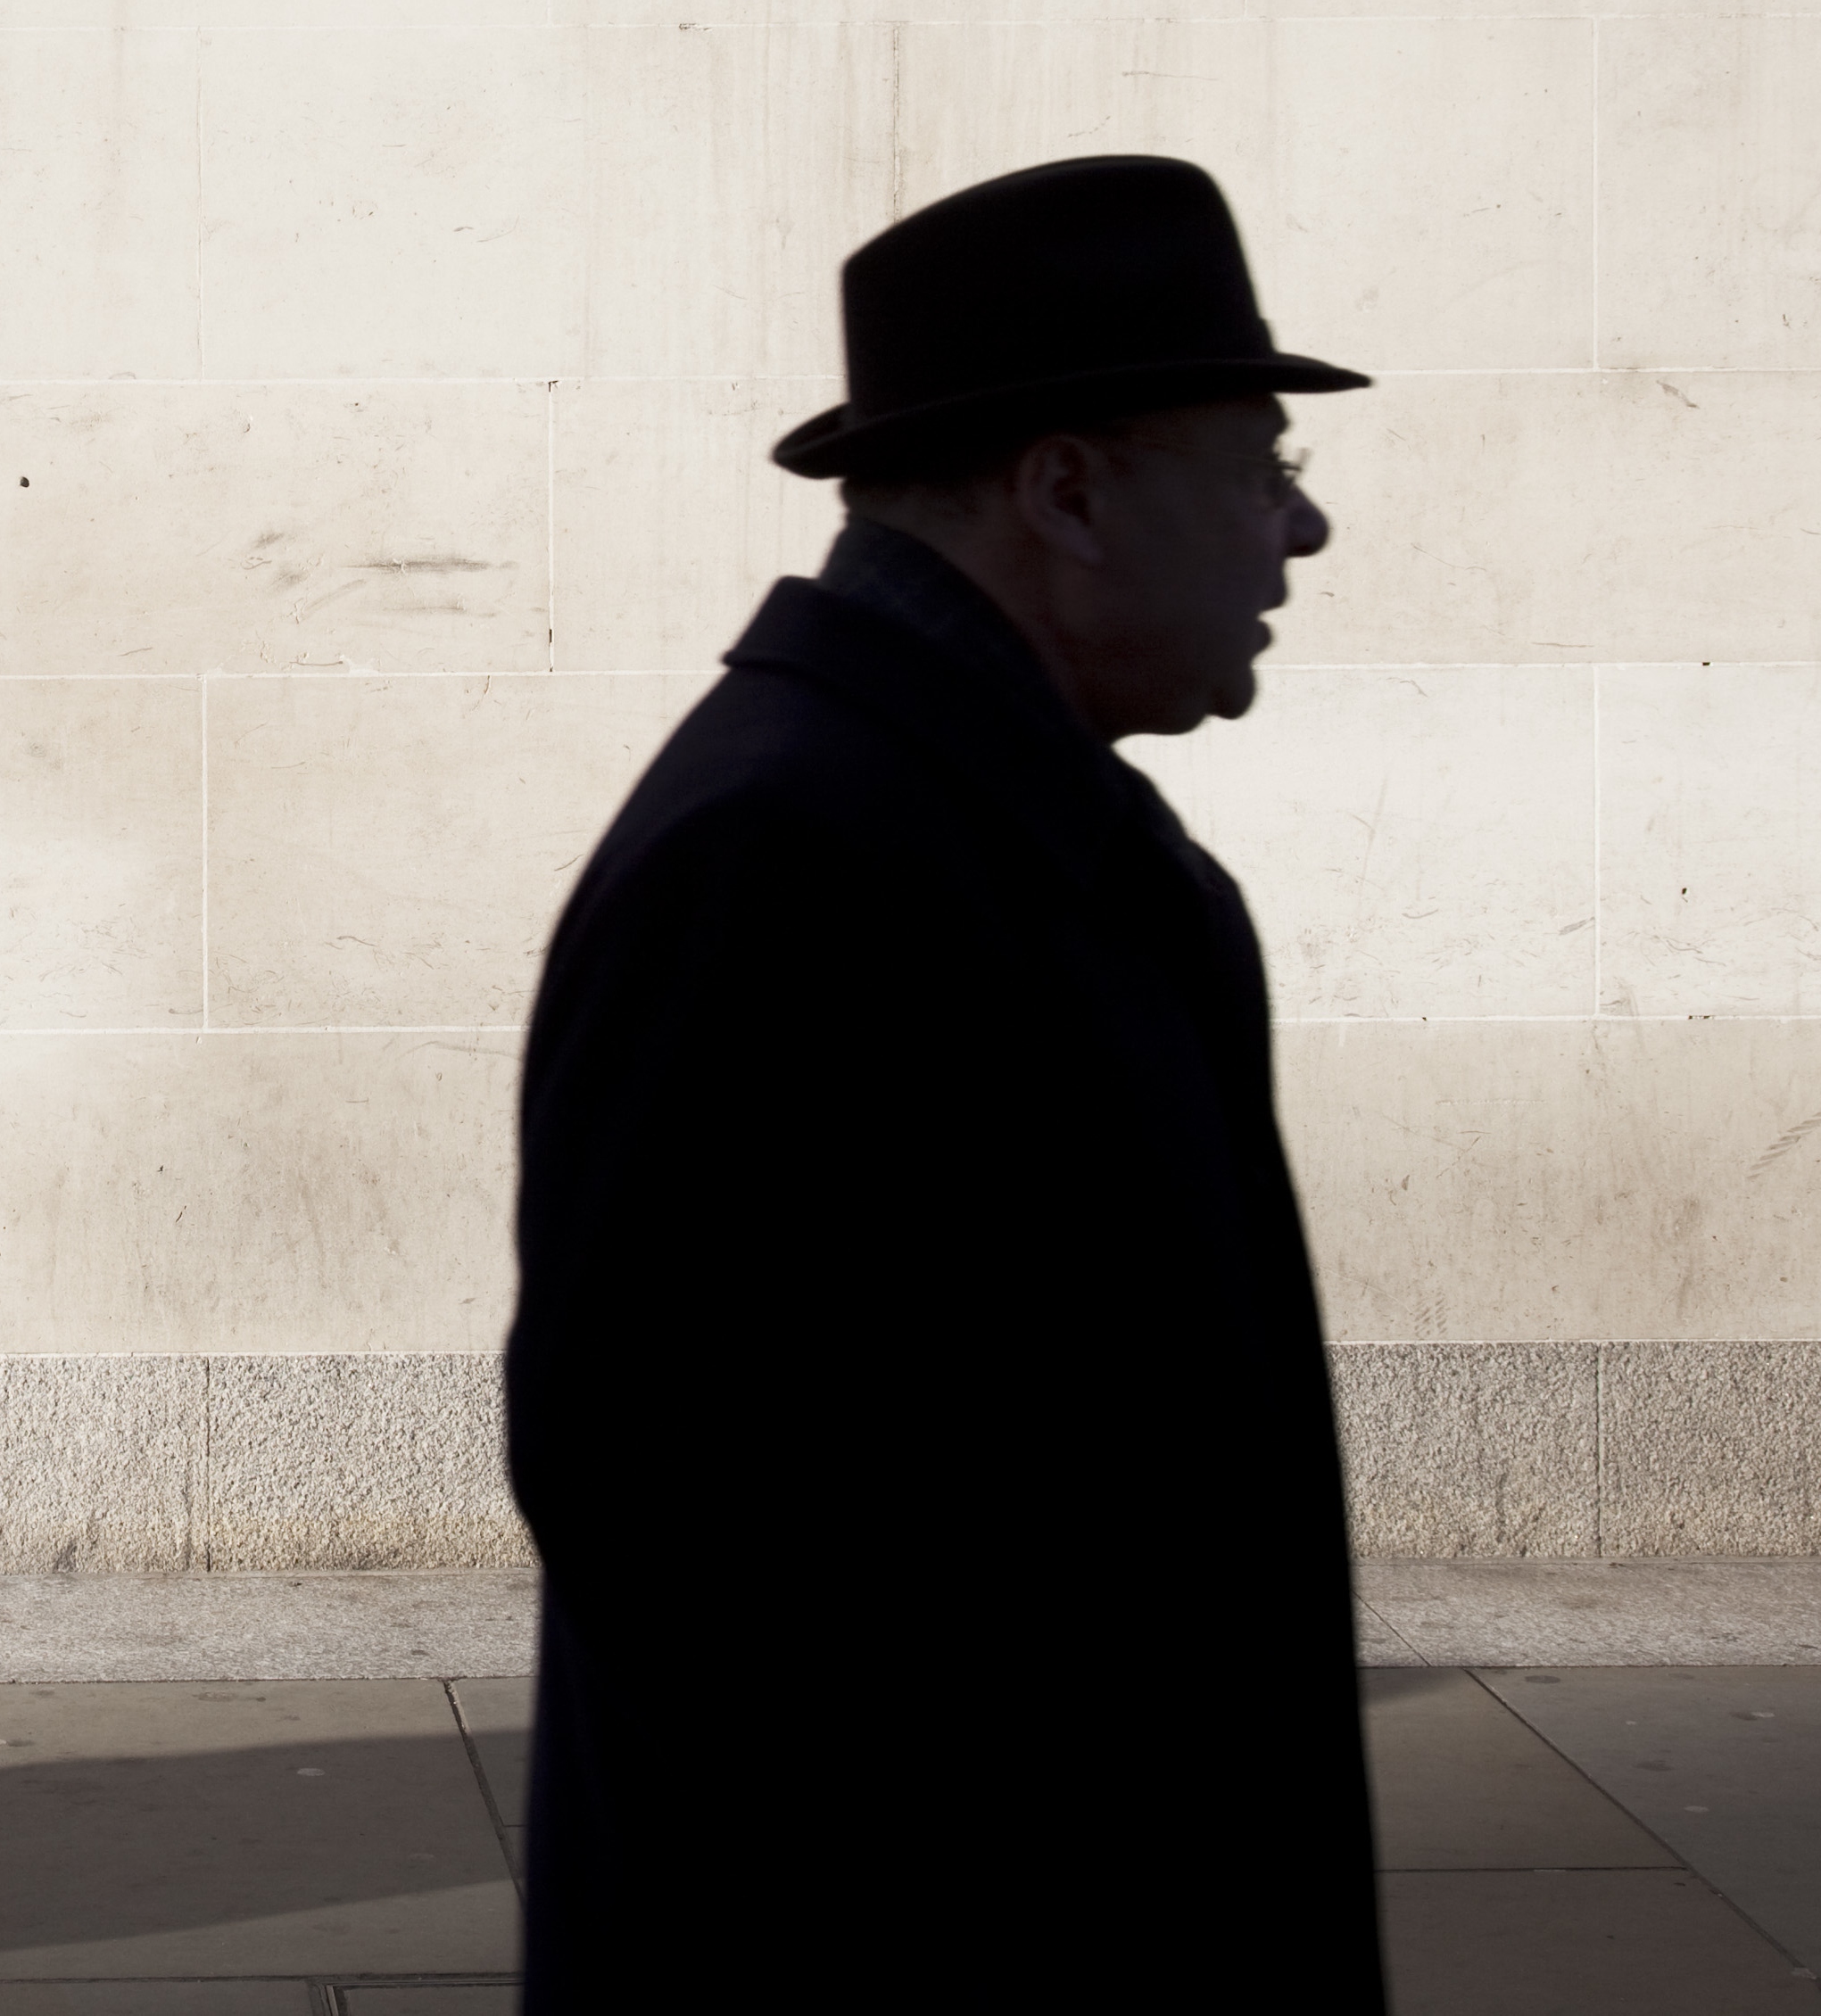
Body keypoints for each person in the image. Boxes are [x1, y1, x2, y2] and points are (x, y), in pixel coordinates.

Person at [504, 154, 1383, 2008]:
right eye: (1261, 469)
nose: (1299, 532)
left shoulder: (1000, 827)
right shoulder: (784, 851)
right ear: (1066, 491)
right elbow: (685, 1534)